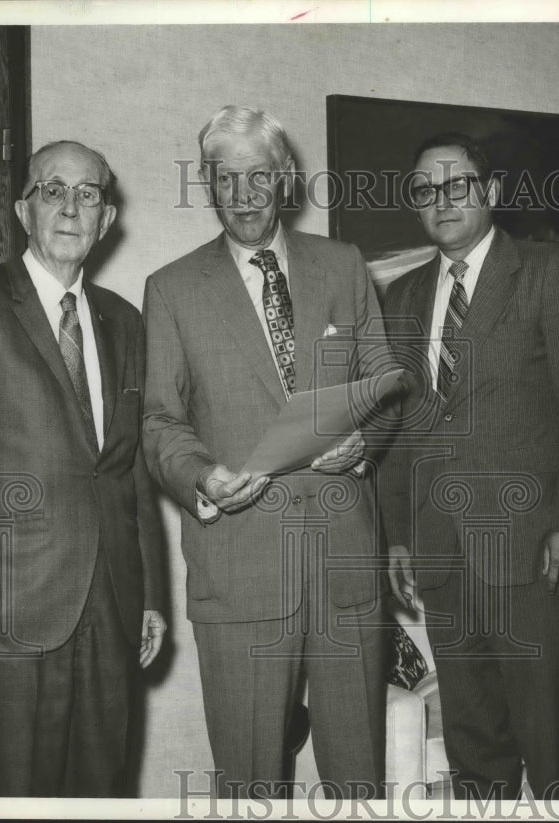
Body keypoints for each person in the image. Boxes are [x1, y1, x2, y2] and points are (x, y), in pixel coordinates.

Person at [142, 105, 388, 799]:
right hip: (240, 567)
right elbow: (160, 419)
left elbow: (386, 388)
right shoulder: (172, 289)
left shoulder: (342, 266)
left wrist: (365, 440)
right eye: (226, 179)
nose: (244, 195)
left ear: (284, 180)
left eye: (259, 176)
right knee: (251, 783)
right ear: (208, 185)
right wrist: (200, 475)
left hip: (345, 568)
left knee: (359, 780)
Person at [0, 140, 167, 797]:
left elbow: (130, 467)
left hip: (110, 604)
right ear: (22, 209)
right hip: (1, 608)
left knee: (102, 789)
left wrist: (149, 597)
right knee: (12, 793)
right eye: (52, 189)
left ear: (106, 219)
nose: (69, 206)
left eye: (87, 194)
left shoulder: (126, 321)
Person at [382, 133, 559, 800]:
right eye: (426, 190)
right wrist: (398, 531)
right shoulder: (403, 297)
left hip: (533, 550)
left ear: (490, 193)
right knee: (474, 740)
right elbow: (401, 426)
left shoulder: (546, 272)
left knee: (550, 740)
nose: (440, 200)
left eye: (457, 185)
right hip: (444, 552)